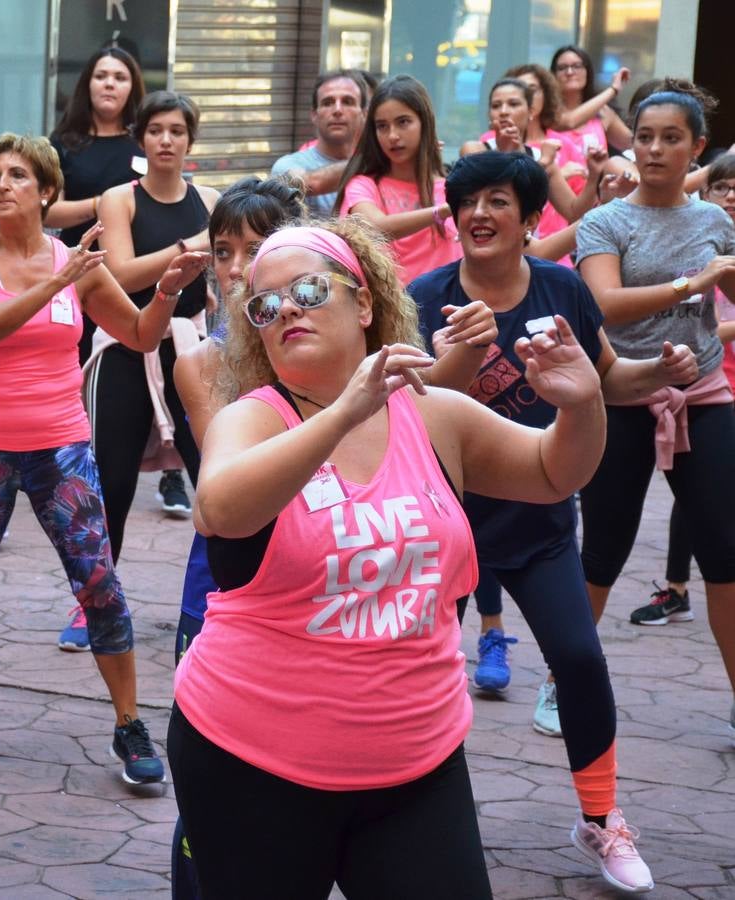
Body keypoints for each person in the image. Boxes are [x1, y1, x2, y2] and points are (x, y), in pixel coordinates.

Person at [171, 217, 609, 897]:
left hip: (416, 764)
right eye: (265, 305)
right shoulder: (251, 417)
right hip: (252, 761)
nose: (286, 308)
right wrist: (343, 411)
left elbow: (554, 471)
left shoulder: (430, 413)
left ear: (366, 303)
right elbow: (220, 509)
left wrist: (581, 405)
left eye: (310, 290)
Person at [417, 151, 692, 891]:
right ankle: (405, 819)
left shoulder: (562, 287)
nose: (478, 214)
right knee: (421, 676)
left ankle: (600, 822)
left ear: (530, 218)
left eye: (497, 201)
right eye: (467, 201)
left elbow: (603, 378)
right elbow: (400, 409)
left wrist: (660, 371)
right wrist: (453, 355)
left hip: (539, 521)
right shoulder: (423, 296)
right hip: (443, 525)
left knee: (577, 659)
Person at [0, 133, 203, 787]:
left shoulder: (79, 265)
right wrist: (60, 280)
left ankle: (128, 725)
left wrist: (162, 292)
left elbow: (136, 335)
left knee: (97, 581)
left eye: (18, 175)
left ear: (45, 191)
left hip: (60, 447)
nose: (2, 185)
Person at [575, 91, 735, 743]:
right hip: (618, 399)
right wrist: (690, 285)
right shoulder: (605, 222)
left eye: (671, 138)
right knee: (602, 550)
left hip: (701, 396)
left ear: (695, 147)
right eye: (643, 136)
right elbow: (604, 306)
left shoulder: (715, 222)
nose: (653, 150)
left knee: (724, 552)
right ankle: (566, 683)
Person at [166, 174, 307, 900]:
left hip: (320, 575)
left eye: (254, 247)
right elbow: (237, 469)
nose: (234, 264)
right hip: (228, 577)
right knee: (209, 781)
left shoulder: (331, 342)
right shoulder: (201, 359)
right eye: (223, 249)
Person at [58, 91, 221, 650]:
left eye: (177, 130)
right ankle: (93, 603)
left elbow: (234, 271)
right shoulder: (118, 199)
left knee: (219, 477)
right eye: (156, 131)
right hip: (125, 349)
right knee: (111, 484)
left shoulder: (212, 199)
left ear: (190, 139)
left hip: (193, 350)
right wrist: (194, 244)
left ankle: (228, 600)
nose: (167, 141)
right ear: (141, 138)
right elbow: (123, 275)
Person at [652, 153, 735, 624]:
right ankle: (677, 586)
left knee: (718, 523)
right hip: (687, 381)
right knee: (694, 496)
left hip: (709, 387)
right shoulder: (701, 238)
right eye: (722, 186)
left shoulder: (716, 233)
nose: (730, 196)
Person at [41, 45, 146, 359]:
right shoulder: (63, 142)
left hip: (137, 274)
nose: (109, 83)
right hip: (78, 272)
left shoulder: (145, 142)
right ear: (88, 84)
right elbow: (48, 213)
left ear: (132, 87)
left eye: (119, 77)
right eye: (101, 76)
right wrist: (106, 203)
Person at [336, 75, 460, 283]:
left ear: (425, 123)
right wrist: (444, 211)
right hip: (387, 311)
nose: (392, 135)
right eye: (382, 126)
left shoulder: (452, 187)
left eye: (403, 122)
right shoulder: (363, 185)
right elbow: (376, 227)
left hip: (449, 310)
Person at [460, 77, 604, 248]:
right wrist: (535, 163)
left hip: (525, 255)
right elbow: (494, 196)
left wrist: (594, 176)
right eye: (496, 105)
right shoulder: (474, 150)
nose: (504, 111)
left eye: (513, 104)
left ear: (531, 112)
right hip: (481, 247)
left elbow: (574, 212)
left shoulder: (539, 155)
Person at [270, 70, 368, 215]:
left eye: (348, 102)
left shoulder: (380, 170)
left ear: (364, 114)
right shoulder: (286, 166)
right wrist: (371, 161)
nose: (337, 110)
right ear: (314, 115)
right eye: (327, 102)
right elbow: (310, 183)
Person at [550, 46, 632, 154]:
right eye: (562, 68)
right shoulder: (548, 111)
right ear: (553, 75)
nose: (569, 72)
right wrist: (613, 89)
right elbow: (570, 121)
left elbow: (632, 143)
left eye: (577, 66)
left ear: (587, 71)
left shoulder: (602, 111)